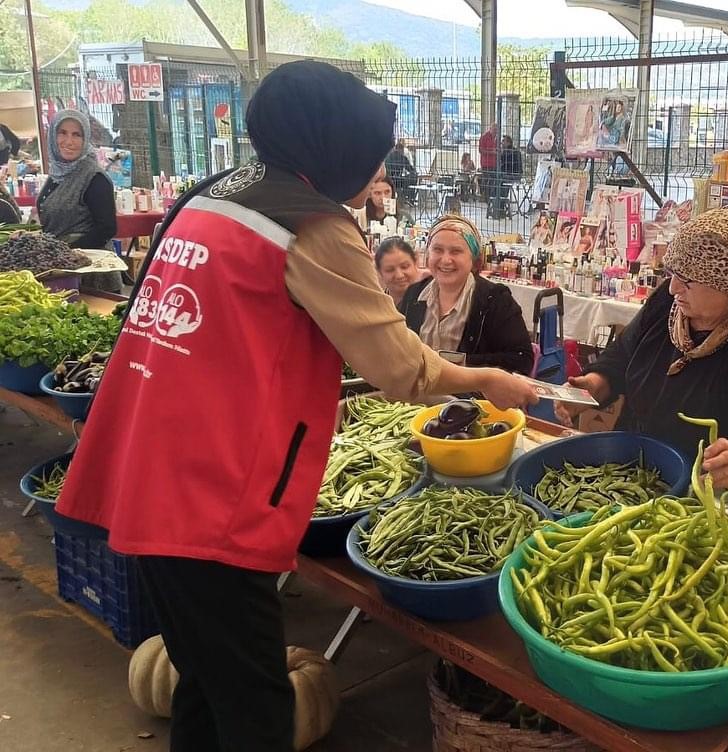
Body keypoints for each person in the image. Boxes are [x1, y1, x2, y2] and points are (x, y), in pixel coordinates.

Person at [55, 61, 538, 752]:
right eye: (371, 154)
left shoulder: (213, 195)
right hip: (209, 488)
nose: (378, 169)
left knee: (204, 679)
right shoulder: (311, 225)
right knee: (255, 705)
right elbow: (398, 368)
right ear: (335, 147)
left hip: (144, 457)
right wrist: (484, 379)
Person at [556, 204, 728, 502]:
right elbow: (623, 357)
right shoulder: (669, 307)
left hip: (701, 495)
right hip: (637, 472)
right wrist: (592, 386)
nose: (673, 288)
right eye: (673, 273)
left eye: (688, 279)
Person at [399, 214, 534, 374]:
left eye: (456, 251)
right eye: (437, 250)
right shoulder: (414, 294)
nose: (445, 260)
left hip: (470, 397)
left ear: (474, 260)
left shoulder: (495, 300)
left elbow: (522, 360)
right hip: (417, 395)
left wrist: (458, 364)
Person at [36, 109, 120, 291]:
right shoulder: (58, 174)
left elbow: (106, 228)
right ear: (52, 136)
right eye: (63, 133)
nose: (69, 142)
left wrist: (65, 252)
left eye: (77, 135)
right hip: (61, 270)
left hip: (90, 276)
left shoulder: (94, 177)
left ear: (85, 139)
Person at [375, 236, 423, 307]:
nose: (399, 275)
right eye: (390, 270)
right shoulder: (374, 306)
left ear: (415, 262)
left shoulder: (428, 304)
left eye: (405, 267)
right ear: (379, 272)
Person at [493, 135, 523, 218]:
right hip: (513, 174)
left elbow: (505, 165)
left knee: (500, 182)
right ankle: (498, 205)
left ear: (508, 143)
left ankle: (500, 206)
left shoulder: (509, 152)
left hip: (512, 175)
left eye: (503, 141)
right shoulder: (512, 151)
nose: (502, 143)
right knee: (498, 181)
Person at [384, 139, 417, 203]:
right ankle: (410, 198)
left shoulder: (388, 157)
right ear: (402, 150)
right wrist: (414, 172)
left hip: (388, 180)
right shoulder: (402, 157)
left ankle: (404, 197)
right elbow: (410, 169)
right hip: (398, 180)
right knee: (411, 178)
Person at [478, 122, 498, 204]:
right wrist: (491, 152)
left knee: (494, 181)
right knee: (486, 181)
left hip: (494, 163)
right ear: (490, 129)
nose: (495, 131)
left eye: (497, 130)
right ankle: (486, 198)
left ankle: (492, 197)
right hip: (486, 163)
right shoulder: (484, 137)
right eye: (494, 129)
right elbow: (481, 150)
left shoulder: (497, 138)